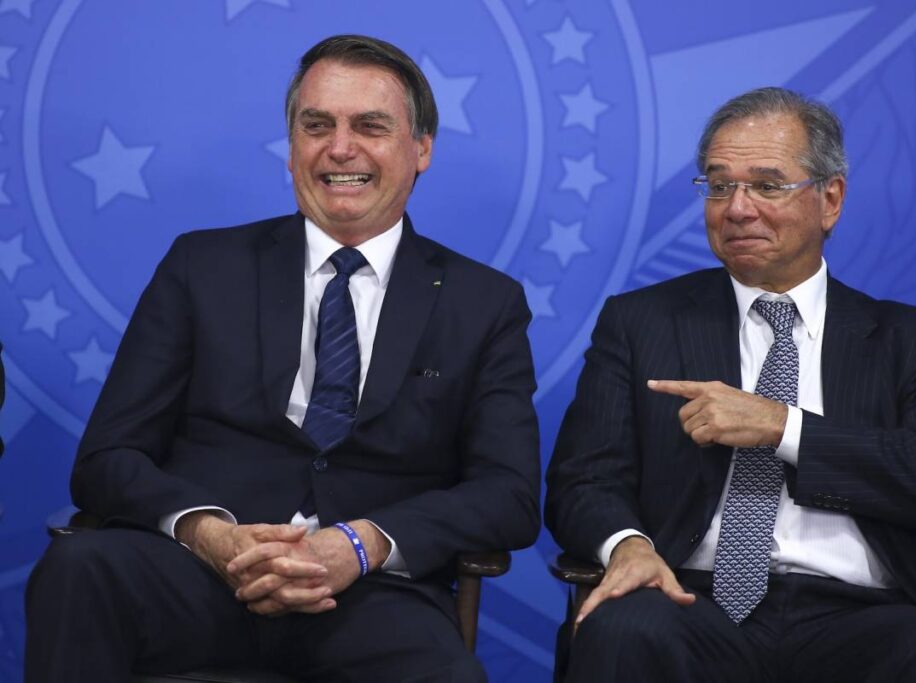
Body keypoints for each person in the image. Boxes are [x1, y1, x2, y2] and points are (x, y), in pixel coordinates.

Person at [25, 34, 540, 683]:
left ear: (421, 149)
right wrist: (210, 533)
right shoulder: (201, 267)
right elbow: (107, 459)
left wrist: (361, 543)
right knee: (79, 569)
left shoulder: (483, 302)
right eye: (316, 125)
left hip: (372, 597)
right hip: (196, 573)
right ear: (292, 148)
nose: (340, 148)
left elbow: (508, 494)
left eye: (370, 126)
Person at [545, 86, 916, 682]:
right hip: (686, 597)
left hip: (861, 612)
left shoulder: (913, 341)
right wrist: (628, 546)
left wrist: (783, 427)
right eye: (719, 185)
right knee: (622, 631)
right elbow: (583, 478)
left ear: (830, 199)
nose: (737, 208)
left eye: (767, 186)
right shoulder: (642, 322)